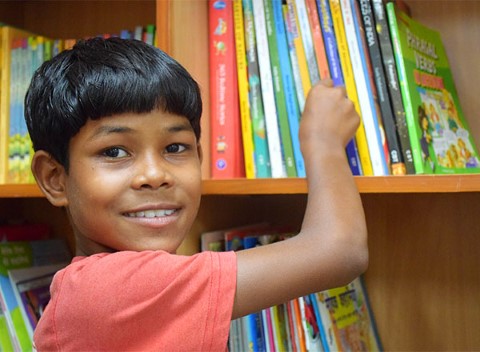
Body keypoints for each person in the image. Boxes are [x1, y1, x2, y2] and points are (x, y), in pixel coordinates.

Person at [26, 37, 368, 351]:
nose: (155, 175)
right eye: (114, 152)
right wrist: (323, 141)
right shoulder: (102, 291)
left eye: (175, 147)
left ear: (200, 158)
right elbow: (339, 250)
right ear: (54, 178)